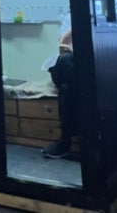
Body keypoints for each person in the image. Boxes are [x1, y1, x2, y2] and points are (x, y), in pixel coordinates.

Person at [42, 29, 78, 159]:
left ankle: (65, 140)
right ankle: (67, 139)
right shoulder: (69, 22)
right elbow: (63, 45)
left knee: (66, 87)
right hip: (72, 69)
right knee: (64, 61)